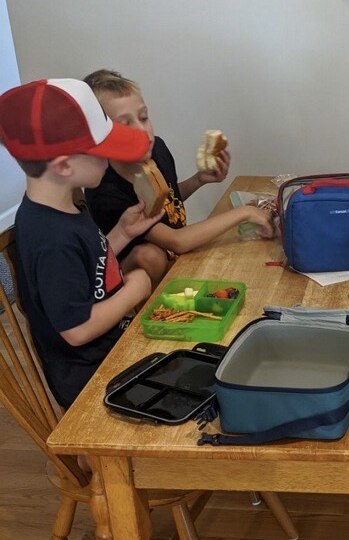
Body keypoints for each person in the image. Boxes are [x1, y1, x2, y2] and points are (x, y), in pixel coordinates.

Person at [0, 77, 161, 410]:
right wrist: (135, 289)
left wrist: (122, 233)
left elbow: (88, 270)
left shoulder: (63, 207)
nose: (109, 160)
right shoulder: (52, 239)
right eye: (102, 152)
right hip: (95, 383)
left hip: (116, 350)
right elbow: (76, 329)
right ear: (63, 165)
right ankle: (91, 460)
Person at [82, 69, 274, 286]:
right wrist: (244, 212)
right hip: (135, 273)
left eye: (144, 117)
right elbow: (178, 241)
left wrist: (198, 180)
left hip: (174, 256)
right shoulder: (106, 191)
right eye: (126, 124)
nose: (142, 130)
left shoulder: (158, 150)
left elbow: (167, 201)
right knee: (149, 254)